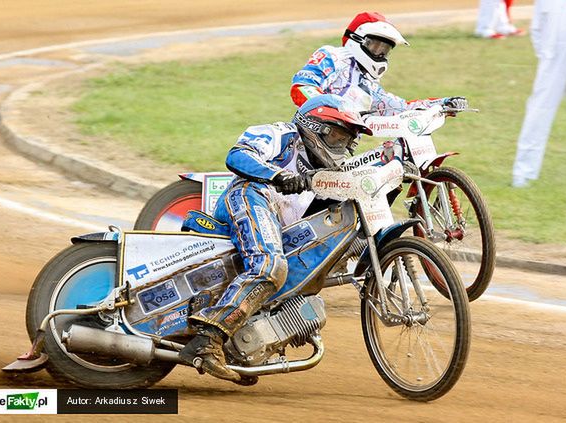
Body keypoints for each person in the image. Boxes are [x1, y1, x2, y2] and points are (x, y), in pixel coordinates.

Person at [179, 94, 369, 382]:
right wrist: (278, 175)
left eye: (348, 140)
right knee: (269, 266)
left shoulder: (330, 175)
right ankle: (209, 338)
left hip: (276, 226)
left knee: (295, 275)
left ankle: (241, 340)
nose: (342, 146)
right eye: (337, 135)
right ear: (314, 126)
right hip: (249, 195)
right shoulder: (281, 134)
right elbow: (237, 155)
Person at [290, 12, 469, 166]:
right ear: (358, 39)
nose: (381, 54)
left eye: (385, 50)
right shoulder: (334, 56)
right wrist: (333, 109)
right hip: (305, 146)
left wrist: (443, 103)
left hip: (338, 153)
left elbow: (401, 107)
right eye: (376, 46)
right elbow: (302, 86)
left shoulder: (369, 86)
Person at [512, 0, 566, 188]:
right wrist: (547, 55)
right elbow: (537, 28)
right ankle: (523, 174)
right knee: (538, 113)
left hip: (554, 56)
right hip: (552, 59)